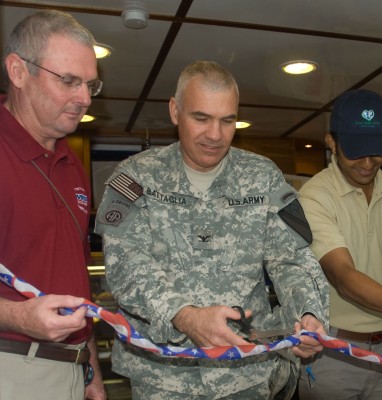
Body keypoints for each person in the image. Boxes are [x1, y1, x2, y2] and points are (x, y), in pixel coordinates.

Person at [94, 60, 329, 399]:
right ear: (175, 111)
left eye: (227, 120)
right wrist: (184, 316)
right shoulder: (136, 176)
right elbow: (127, 266)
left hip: (245, 372)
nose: (215, 134)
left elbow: (291, 260)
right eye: (201, 118)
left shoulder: (262, 176)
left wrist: (307, 313)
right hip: (164, 376)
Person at [0, 10, 106, 400]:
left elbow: (75, 276)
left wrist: (89, 363)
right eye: (69, 81)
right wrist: (16, 316)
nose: (84, 98)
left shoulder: (71, 163)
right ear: (17, 71)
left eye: (90, 85)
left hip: (71, 366)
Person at [297, 89, 382, 399]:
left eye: (376, 151)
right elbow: (343, 278)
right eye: (356, 151)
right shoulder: (313, 196)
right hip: (332, 354)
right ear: (331, 142)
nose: (368, 163)